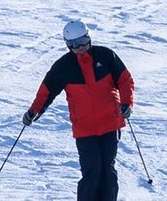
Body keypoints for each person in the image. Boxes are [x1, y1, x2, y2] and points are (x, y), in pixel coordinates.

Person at [23, 20, 135, 201]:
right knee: (92, 171)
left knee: (107, 170)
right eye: (73, 44)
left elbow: (124, 80)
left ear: (89, 37)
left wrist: (126, 103)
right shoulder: (63, 66)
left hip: (110, 122)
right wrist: (34, 111)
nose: (79, 47)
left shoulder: (105, 56)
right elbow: (47, 91)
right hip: (84, 128)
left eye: (82, 41)